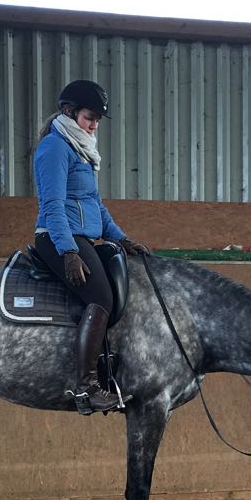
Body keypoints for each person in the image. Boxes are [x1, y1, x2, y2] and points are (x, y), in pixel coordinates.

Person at [33, 79, 149, 415]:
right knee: (101, 296)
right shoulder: (55, 147)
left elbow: (96, 204)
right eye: (89, 118)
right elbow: (53, 205)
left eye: (97, 119)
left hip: (80, 238)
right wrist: (68, 251)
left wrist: (121, 238)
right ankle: (86, 387)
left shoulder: (81, 149)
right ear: (69, 112)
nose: (94, 125)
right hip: (57, 237)